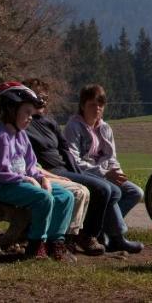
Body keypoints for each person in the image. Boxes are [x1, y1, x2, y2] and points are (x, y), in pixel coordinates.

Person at [21, 78, 123, 257]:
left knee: (115, 190)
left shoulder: (48, 122)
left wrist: (77, 171)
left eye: (45, 97)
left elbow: (65, 149)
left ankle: (104, 234)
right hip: (48, 171)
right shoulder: (24, 121)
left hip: (65, 169)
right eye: (38, 96)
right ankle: (87, 236)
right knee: (102, 189)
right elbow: (3, 121)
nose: (42, 101)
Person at [0, 81, 77, 261]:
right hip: (3, 187)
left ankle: (55, 242)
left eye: (31, 113)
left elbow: (31, 166)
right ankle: (35, 246)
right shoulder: (1, 137)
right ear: (11, 109)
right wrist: (26, 180)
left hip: (22, 184)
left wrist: (41, 179)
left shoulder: (22, 135)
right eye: (26, 112)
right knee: (43, 198)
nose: (30, 117)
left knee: (66, 197)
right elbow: (0, 173)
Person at [65, 84, 144, 254]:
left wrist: (117, 172)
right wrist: (104, 173)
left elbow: (111, 157)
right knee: (111, 190)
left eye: (100, 104)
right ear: (82, 106)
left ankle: (103, 230)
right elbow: (74, 162)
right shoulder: (73, 127)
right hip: (85, 174)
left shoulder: (105, 128)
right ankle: (118, 237)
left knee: (135, 192)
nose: (97, 108)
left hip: (106, 173)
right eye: (92, 104)